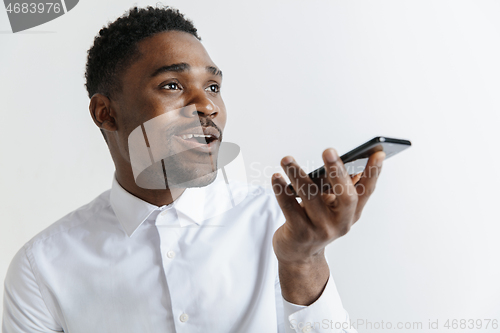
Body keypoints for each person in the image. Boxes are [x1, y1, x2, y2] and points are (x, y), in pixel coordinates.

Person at [2, 6, 385, 333]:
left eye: (214, 87)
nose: (207, 106)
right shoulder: (43, 269)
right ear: (106, 113)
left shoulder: (280, 223)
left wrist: (304, 260)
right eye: (172, 85)